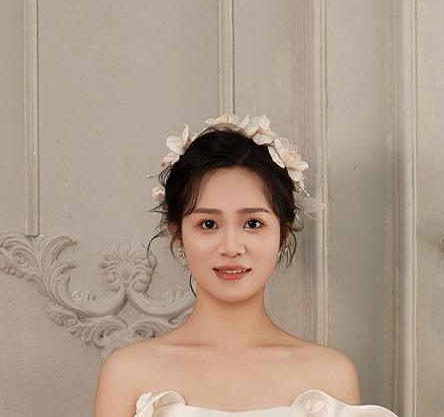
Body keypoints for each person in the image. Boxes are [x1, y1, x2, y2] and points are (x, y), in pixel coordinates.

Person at [93, 113, 396, 417]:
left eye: (253, 223)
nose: (231, 248)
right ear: (178, 234)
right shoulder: (128, 373)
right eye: (208, 224)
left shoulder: (330, 376)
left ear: (283, 234)